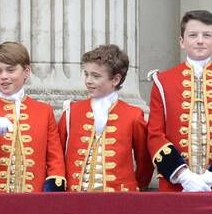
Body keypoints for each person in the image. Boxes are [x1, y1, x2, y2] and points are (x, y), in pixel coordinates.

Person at [147, 10, 212, 192]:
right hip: (176, 185)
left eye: (207, 35)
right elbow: (155, 134)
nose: (200, 40)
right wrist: (184, 176)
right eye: (193, 35)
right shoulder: (163, 81)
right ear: (182, 41)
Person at [0, 42, 66, 193]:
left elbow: (55, 161)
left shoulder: (44, 110)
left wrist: (50, 200)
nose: (3, 77)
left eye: (10, 70)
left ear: (26, 71)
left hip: (32, 201)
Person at [59, 44, 154, 192]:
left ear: (115, 80)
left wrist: (135, 187)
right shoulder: (71, 112)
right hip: (75, 198)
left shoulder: (133, 115)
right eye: (86, 74)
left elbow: (145, 162)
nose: (88, 81)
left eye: (96, 76)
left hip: (118, 200)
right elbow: (58, 156)